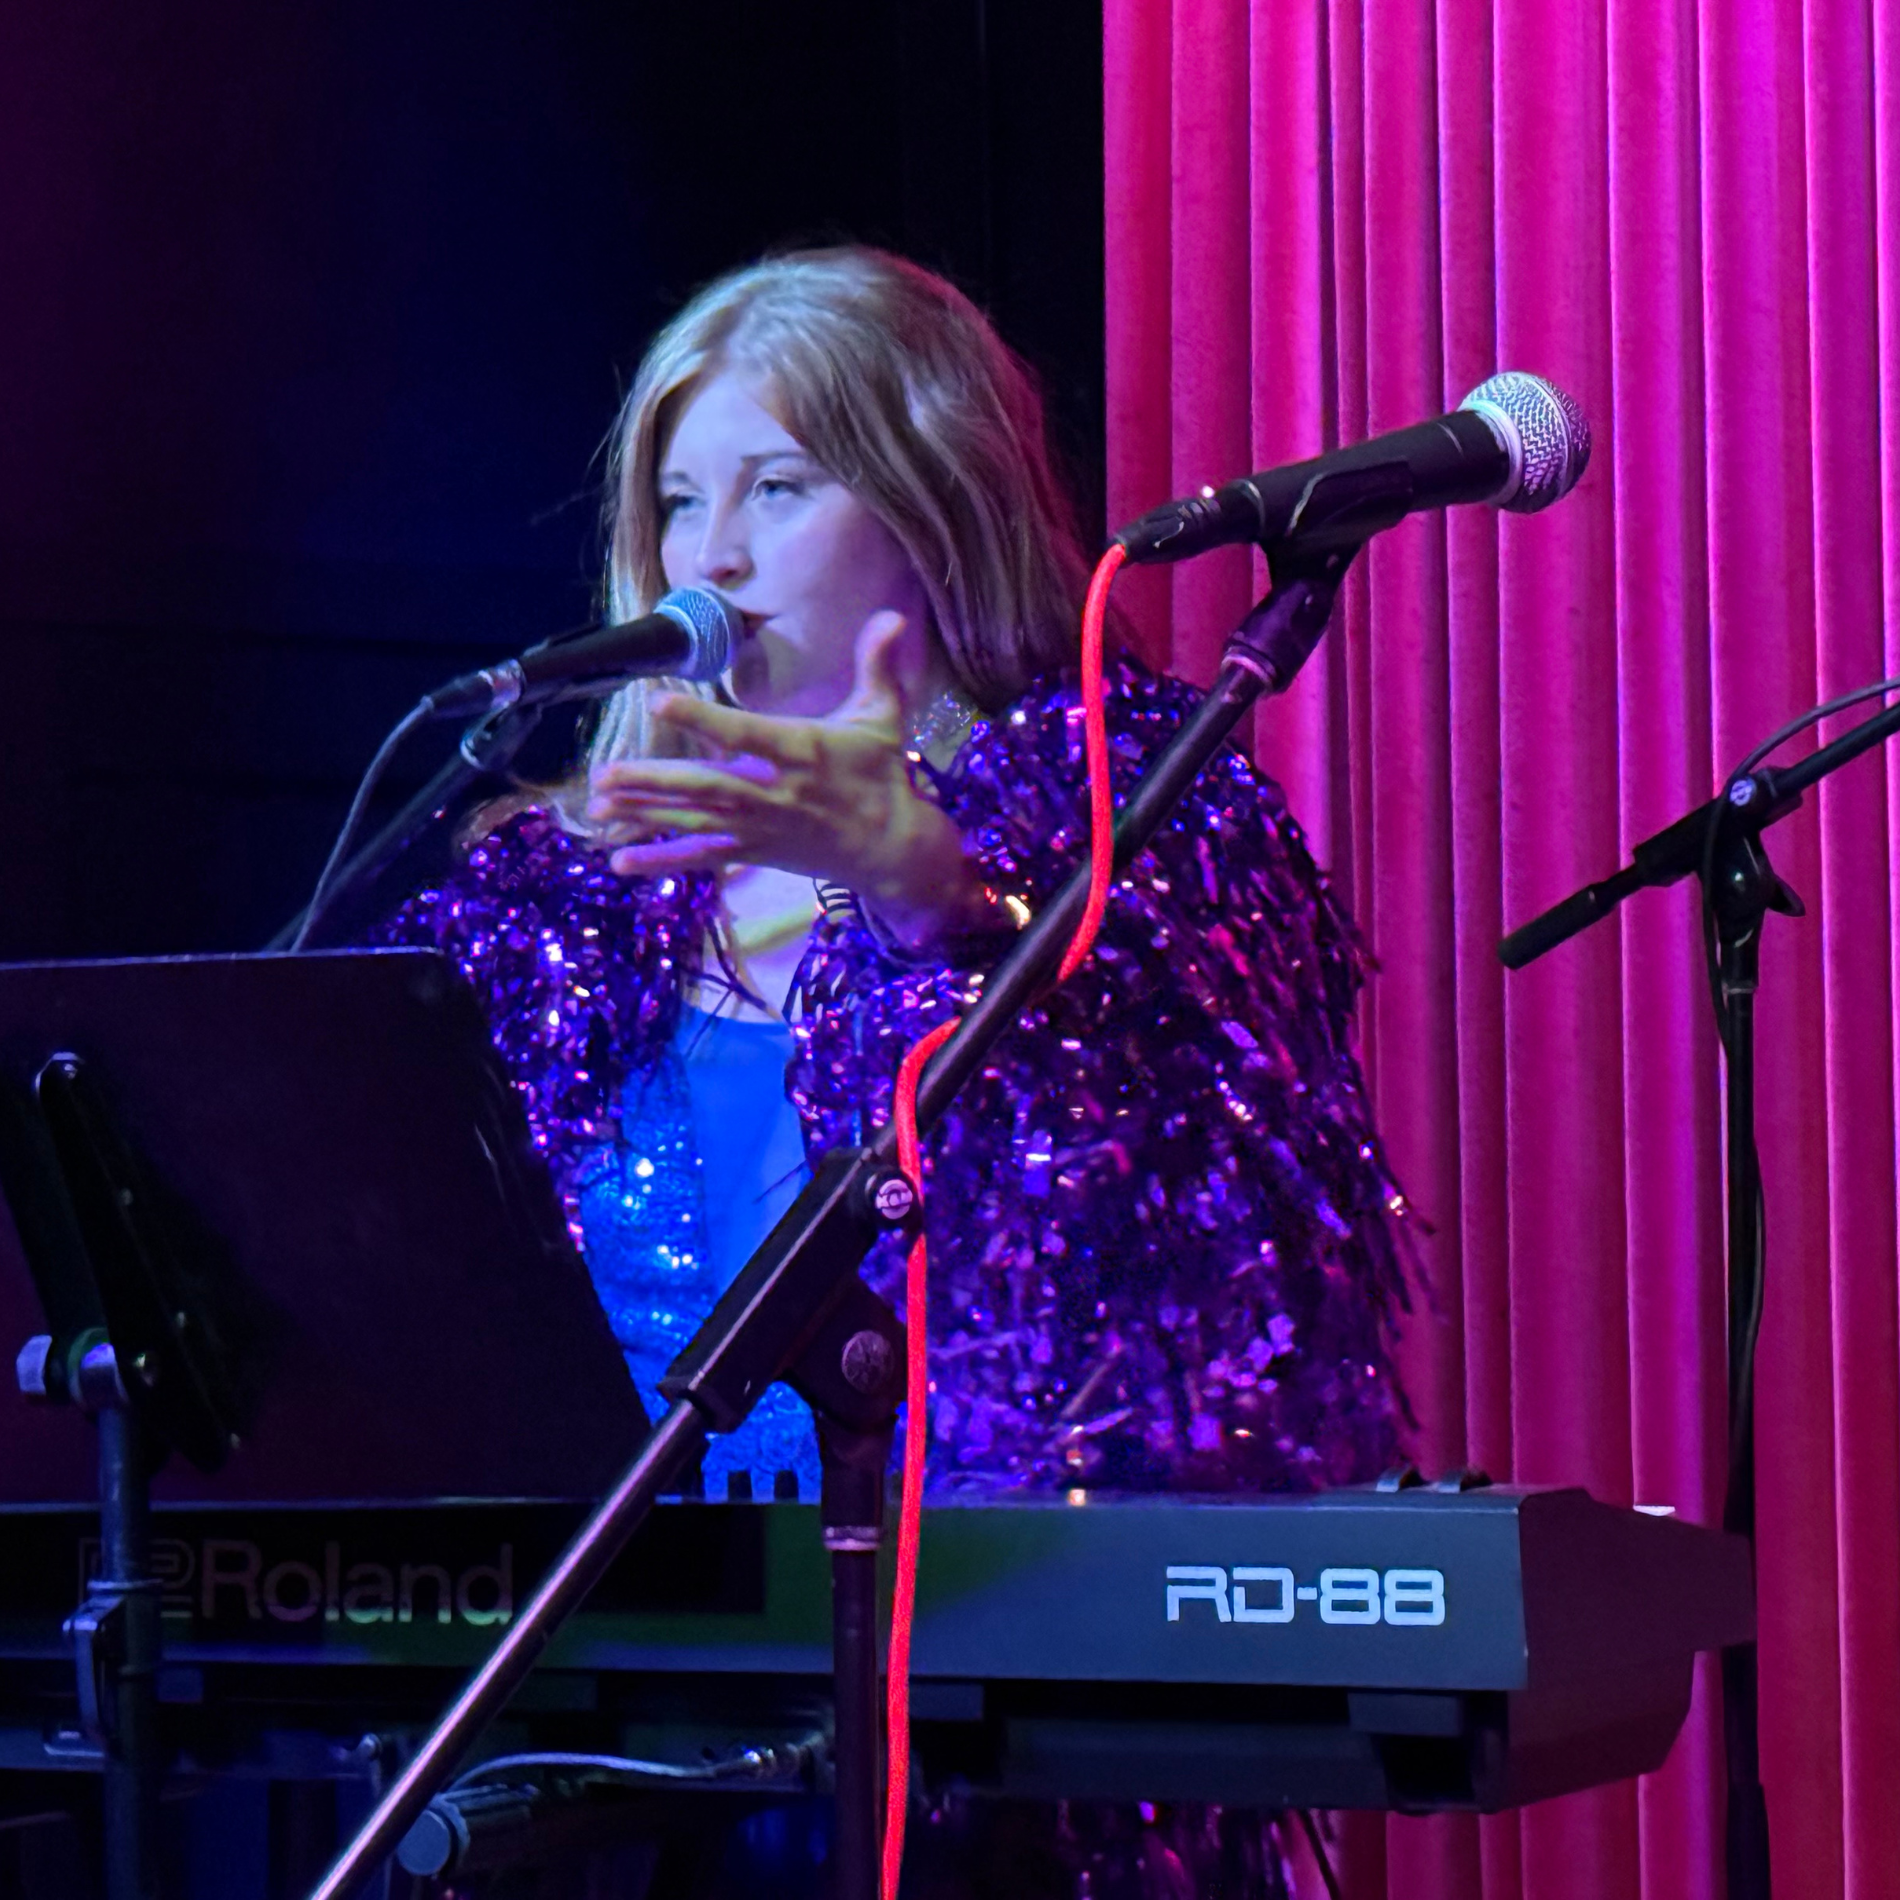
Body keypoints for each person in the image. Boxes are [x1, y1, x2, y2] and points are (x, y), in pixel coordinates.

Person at [378, 246, 1406, 1892]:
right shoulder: (556, 894)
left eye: (778, 488)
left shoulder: (1140, 818)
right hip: (617, 1694)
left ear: (933, 509)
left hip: (997, 1724)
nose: (710, 555)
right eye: (681, 499)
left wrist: (930, 889)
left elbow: (1208, 1189)